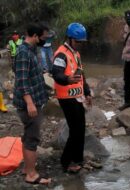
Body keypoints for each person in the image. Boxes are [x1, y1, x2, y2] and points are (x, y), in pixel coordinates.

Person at [13, 23, 51, 185]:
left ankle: (26, 169)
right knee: (32, 139)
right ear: (35, 36)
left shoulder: (30, 50)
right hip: (30, 104)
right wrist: (30, 103)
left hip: (35, 99)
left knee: (27, 136)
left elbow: (29, 75)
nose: (44, 40)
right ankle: (31, 174)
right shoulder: (23, 53)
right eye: (43, 37)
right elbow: (22, 81)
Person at [52, 23, 92, 173]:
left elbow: (81, 75)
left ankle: (78, 159)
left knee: (81, 128)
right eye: (77, 42)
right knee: (75, 130)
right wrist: (67, 79)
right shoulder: (61, 54)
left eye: (81, 42)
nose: (79, 45)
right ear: (69, 38)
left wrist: (87, 92)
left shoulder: (76, 53)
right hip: (67, 98)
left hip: (77, 96)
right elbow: (56, 74)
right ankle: (66, 162)